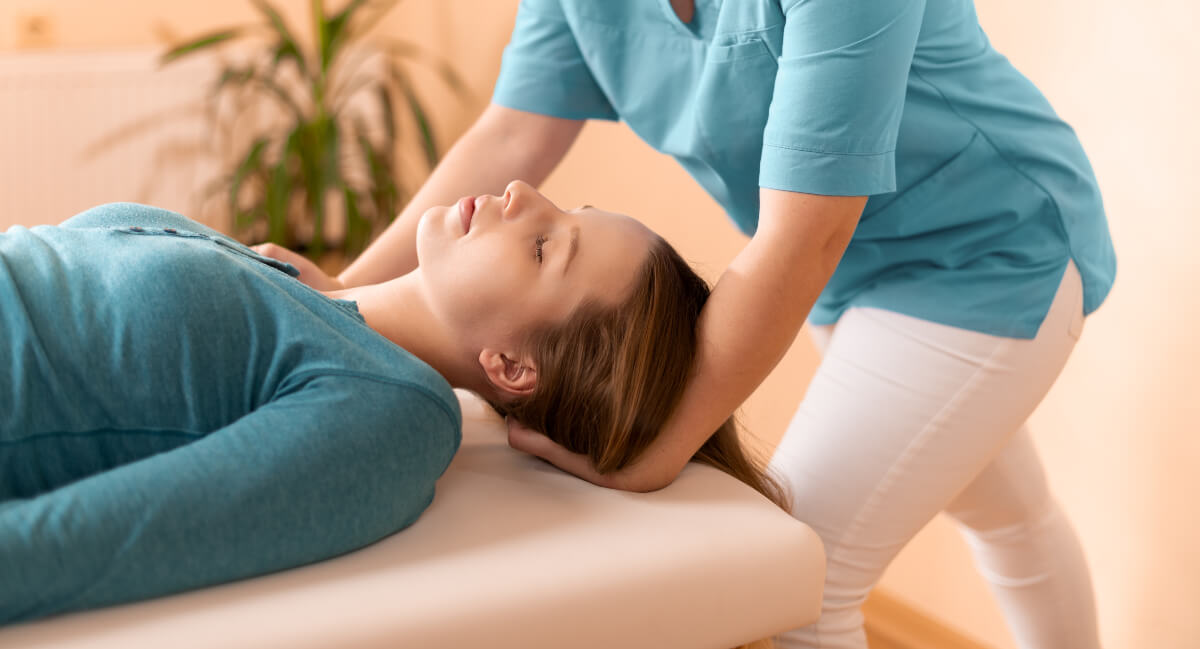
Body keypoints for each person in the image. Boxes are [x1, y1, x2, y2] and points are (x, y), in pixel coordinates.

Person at [263, 1, 1116, 647]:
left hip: (986, 253)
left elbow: (803, 231)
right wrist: (340, 289)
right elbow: (515, 132)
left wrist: (658, 445)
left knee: (798, 586)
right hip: (851, 274)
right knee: (1008, 512)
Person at [0, 186, 780, 625]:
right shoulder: (291, 280)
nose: (521, 195)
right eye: (563, 206)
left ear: (511, 367)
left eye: (545, 246)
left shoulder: (391, 411)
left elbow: (125, 535)